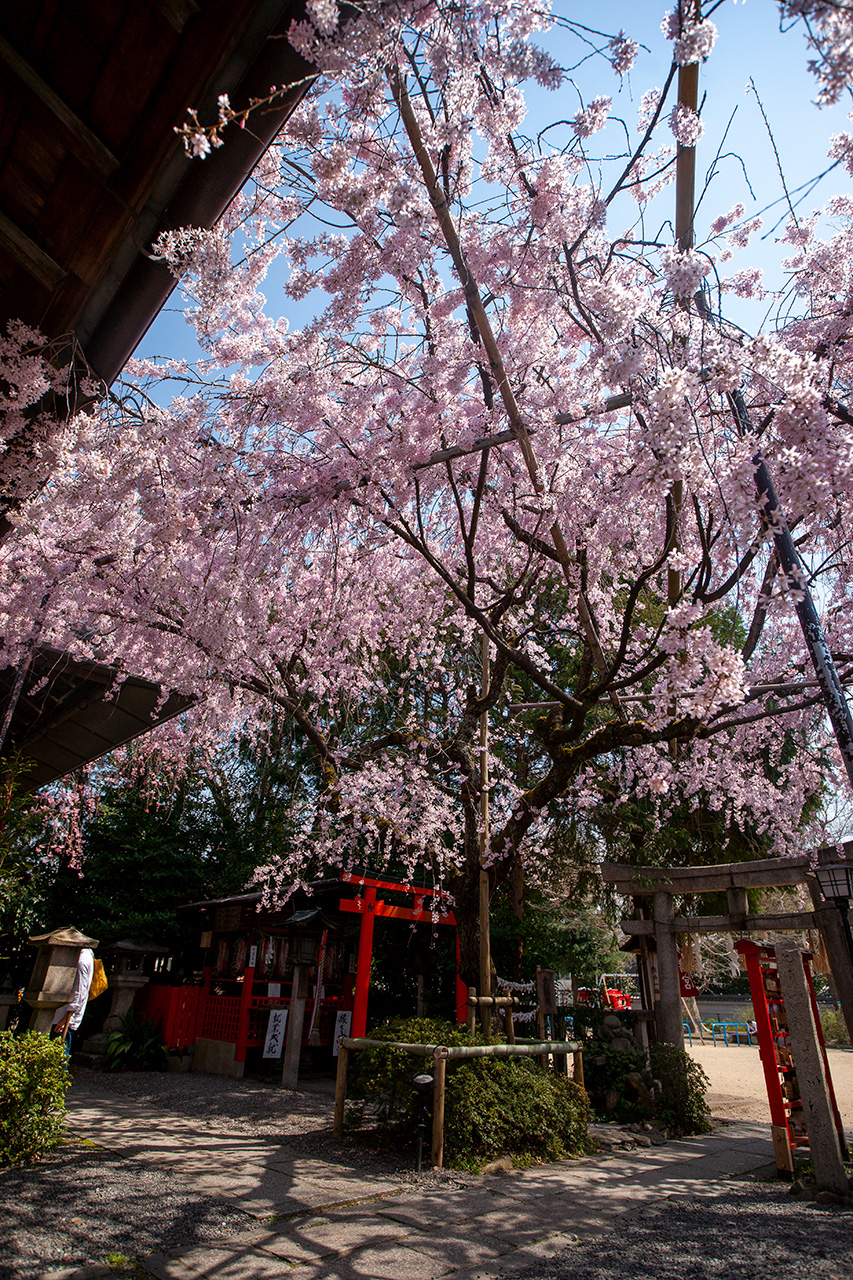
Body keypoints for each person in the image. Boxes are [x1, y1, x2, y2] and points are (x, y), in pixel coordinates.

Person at [52, 947, 94, 1059]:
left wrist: (65, 1019)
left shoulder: (81, 961)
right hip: (64, 1016)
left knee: (59, 1056)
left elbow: (79, 993)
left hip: (65, 1018)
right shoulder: (85, 955)